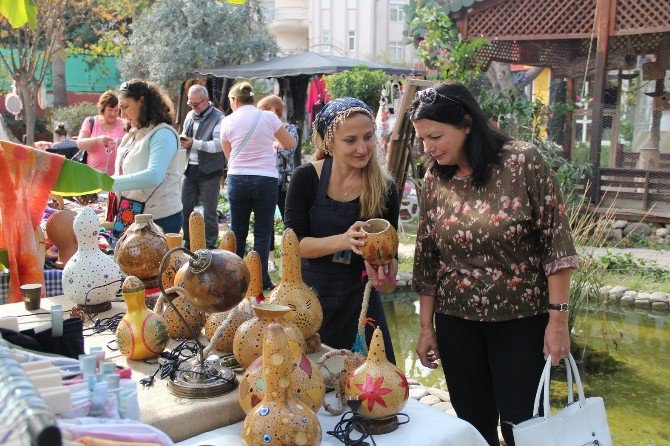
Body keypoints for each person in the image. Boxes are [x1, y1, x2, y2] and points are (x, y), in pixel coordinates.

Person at [409, 82, 578, 446]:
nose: (428, 147)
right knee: (472, 426)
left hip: (520, 323)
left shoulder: (522, 162)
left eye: (435, 136)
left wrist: (558, 321)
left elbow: (557, 246)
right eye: (422, 139)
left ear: (467, 124)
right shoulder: (434, 178)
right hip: (457, 324)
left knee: (523, 426)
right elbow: (427, 258)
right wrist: (426, 326)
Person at [284, 97, 399, 363]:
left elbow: (390, 275)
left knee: (371, 394)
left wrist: (385, 278)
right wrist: (344, 240)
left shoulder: (386, 189)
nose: (363, 148)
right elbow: (293, 246)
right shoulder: (306, 178)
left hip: (361, 302)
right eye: (351, 140)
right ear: (328, 142)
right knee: (308, 387)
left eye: (368, 137)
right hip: (307, 303)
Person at [220, 82, 295, 290]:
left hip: (238, 178)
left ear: (235, 100)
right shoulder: (269, 117)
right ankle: (261, 280)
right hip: (265, 178)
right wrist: (270, 143)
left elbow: (228, 155)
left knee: (237, 231)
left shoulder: (227, 121)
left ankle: (235, 282)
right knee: (263, 232)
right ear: (252, 99)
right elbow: (289, 143)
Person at [109, 79, 183, 234]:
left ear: (141, 100)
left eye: (125, 107)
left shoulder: (163, 134)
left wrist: (108, 183)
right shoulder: (132, 135)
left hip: (161, 218)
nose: (122, 115)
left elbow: (153, 176)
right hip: (131, 213)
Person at [257, 94, 299, 273]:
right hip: (266, 180)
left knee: (288, 220)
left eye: (262, 110)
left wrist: (276, 137)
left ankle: (289, 257)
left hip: (284, 182)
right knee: (267, 222)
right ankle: (270, 260)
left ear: (273, 111)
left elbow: (289, 152)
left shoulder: (289, 129)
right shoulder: (261, 130)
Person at [180, 84, 225, 249]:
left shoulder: (219, 118)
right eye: (190, 103)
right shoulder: (190, 115)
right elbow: (186, 135)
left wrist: (194, 143)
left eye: (196, 104)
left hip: (210, 171)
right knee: (185, 207)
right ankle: (188, 241)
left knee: (210, 211)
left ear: (206, 101)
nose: (192, 107)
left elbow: (218, 145)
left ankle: (211, 245)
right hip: (190, 168)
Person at [76, 90, 126, 175]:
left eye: (116, 110)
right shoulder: (90, 122)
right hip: (93, 177)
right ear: (103, 109)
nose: (113, 114)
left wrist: (121, 143)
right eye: (110, 110)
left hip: (117, 178)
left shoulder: (124, 124)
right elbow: (80, 143)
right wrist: (98, 141)